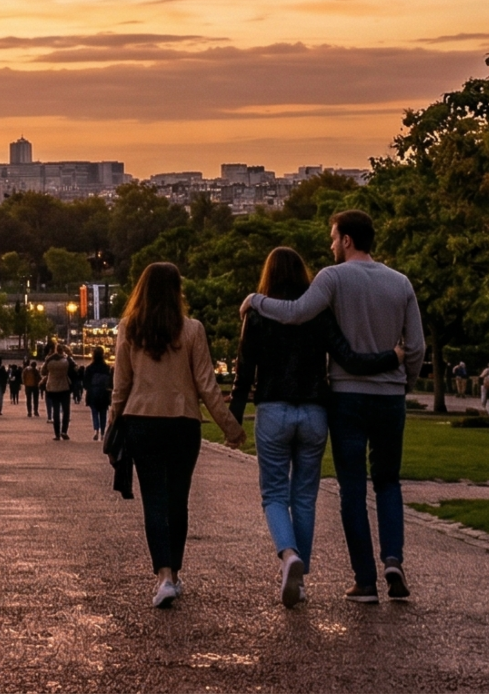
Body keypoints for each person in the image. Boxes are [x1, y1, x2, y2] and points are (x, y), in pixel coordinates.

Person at [242, 209, 426, 604]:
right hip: (389, 396)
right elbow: (417, 347)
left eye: (332, 237)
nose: (330, 244)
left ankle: (365, 580)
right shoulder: (401, 283)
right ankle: (393, 558)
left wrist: (255, 300)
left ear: (346, 240)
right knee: (389, 481)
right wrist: (404, 381)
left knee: (352, 488)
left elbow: (293, 314)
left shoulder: (332, 278)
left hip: (347, 395)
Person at [107, 261, 245, 610]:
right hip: (183, 423)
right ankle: (175, 574)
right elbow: (207, 385)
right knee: (177, 500)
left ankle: (164, 575)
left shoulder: (129, 328)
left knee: (154, 499)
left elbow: (120, 386)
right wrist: (230, 427)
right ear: (177, 291)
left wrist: (111, 425)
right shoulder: (192, 330)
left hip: (141, 420)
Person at [231, 247, 334, 607]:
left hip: (273, 407)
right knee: (304, 497)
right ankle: (300, 581)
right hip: (314, 409)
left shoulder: (258, 313)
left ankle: (289, 554)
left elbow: (245, 370)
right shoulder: (319, 313)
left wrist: (234, 417)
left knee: (274, 493)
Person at [42, 345, 76, 441]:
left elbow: (43, 372)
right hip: (64, 387)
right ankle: (64, 431)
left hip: (52, 387)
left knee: (55, 411)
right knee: (66, 410)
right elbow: (74, 369)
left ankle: (56, 434)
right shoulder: (66, 361)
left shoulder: (49, 361)